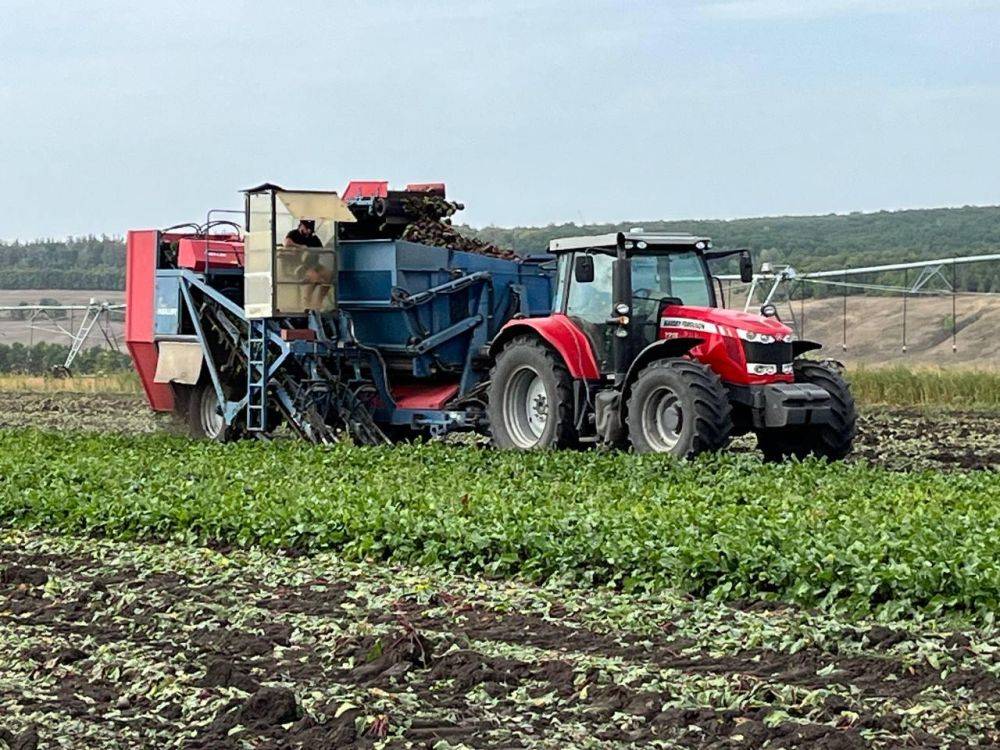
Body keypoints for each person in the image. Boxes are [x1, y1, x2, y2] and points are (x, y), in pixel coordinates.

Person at [282, 219, 332, 310]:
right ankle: (306, 303)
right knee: (313, 276)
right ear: (301, 225)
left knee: (328, 274)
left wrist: (315, 251)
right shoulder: (294, 234)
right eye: (307, 228)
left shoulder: (313, 238)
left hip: (313, 264)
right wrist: (300, 247)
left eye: (310, 229)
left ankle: (318, 302)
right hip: (297, 266)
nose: (308, 231)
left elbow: (321, 249)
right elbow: (286, 243)